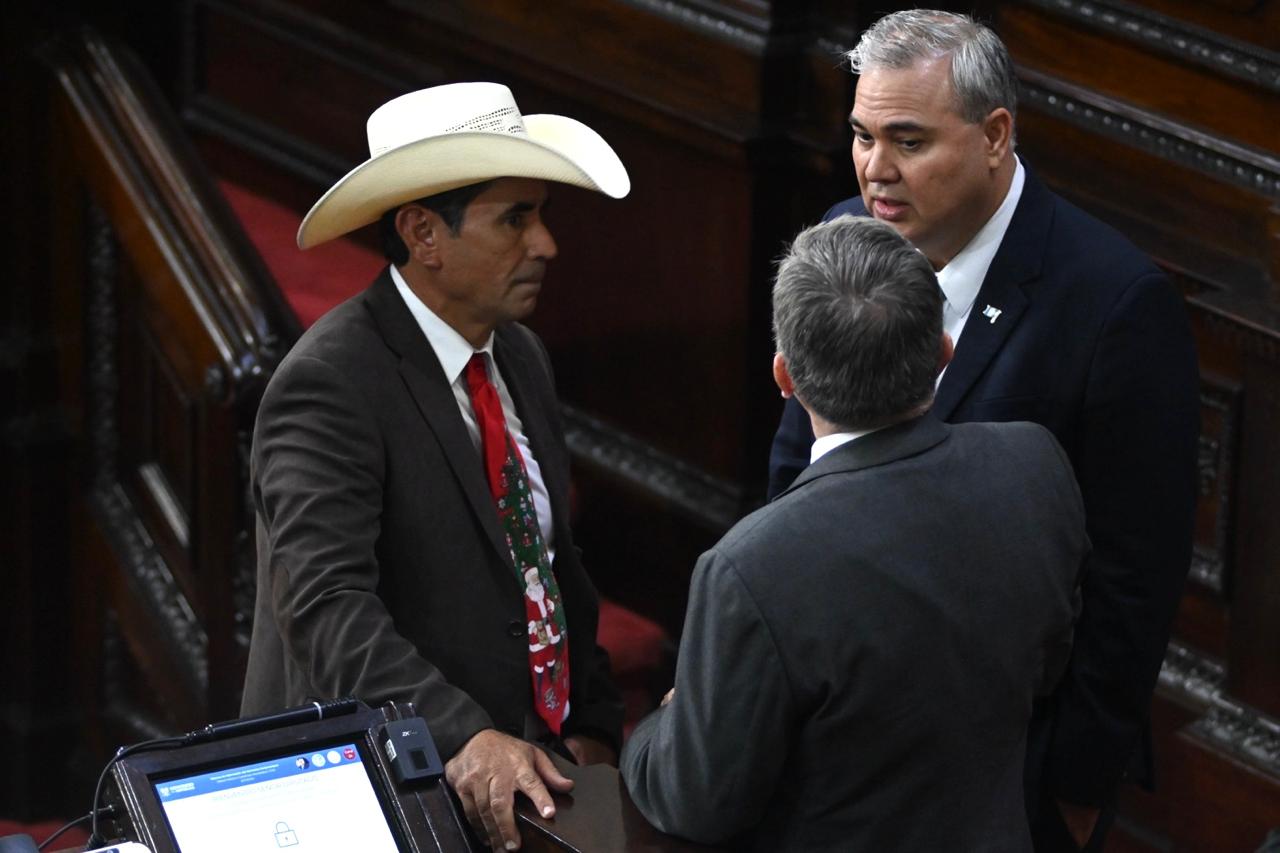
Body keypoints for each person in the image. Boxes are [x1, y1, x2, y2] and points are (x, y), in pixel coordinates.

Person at [766, 11, 1199, 850]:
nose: (873, 171)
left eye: (908, 140)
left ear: (996, 135)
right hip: (838, 742)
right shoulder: (840, 238)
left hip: (1010, 771)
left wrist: (1071, 790)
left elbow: (1132, 580)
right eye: (860, 135)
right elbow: (791, 478)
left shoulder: (1114, 305)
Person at [241, 82, 631, 851]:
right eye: (516, 217)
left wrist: (589, 723)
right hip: (373, 789)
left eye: (542, 215)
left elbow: (550, 565)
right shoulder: (330, 381)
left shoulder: (519, 354)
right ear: (422, 231)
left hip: (526, 776)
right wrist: (466, 734)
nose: (545, 243)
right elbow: (327, 607)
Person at [622, 214, 1088, 851]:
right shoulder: (1035, 466)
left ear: (785, 377)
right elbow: (1047, 663)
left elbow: (695, 801)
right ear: (944, 356)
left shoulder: (752, 567)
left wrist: (667, 722)